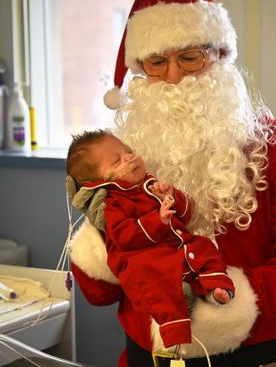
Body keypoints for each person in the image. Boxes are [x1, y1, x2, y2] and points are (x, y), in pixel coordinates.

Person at [66, 0, 276, 367]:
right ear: (140, 71)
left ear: (221, 55)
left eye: (190, 56)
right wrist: (99, 236)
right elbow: (100, 294)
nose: (174, 77)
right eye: (157, 62)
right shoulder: (124, 161)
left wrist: (219, 312)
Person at [66, 130, 235, 349]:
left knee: (204, 248)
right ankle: (176, 330)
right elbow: (124, 236)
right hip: (147, 259)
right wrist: (157, 220)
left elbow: (187, 213)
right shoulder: (113, 205)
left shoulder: (150, 185)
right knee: (156, 284)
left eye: (129, 151)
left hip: (179, 249)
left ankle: (217, 288)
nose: (129, 158)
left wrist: (171, 196)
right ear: (98, 182)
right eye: (117, 161)